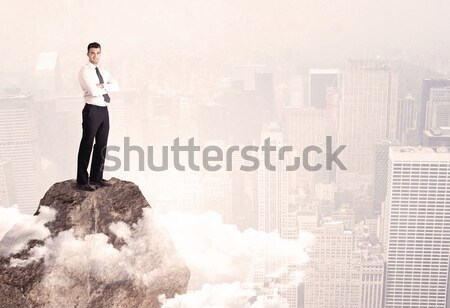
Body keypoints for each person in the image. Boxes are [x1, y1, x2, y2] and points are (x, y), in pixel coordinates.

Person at [76, 42, 119, 191]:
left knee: (101, 145)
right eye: (92, 53)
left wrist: (102, 86)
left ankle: (96, 178)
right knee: (87, 144)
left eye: (98, 53)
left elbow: (116, 86)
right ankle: (82, 181)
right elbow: (93, 92)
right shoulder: (85, 71)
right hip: (92, 110)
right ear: (88, 54)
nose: (95, 56)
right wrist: (103, 87)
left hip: (103, 110)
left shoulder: (103, 71)